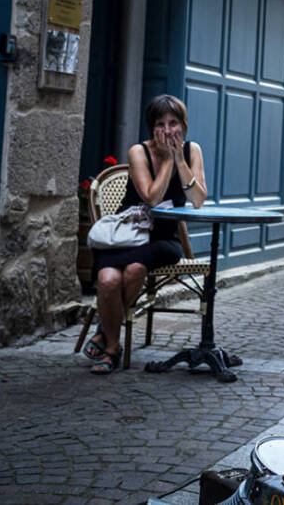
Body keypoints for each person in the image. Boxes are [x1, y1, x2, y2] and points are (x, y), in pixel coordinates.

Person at [82, 95, 207, 374]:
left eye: (174, 123)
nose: (167, 130)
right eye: (160, 124)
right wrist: (165, 162)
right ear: (151, 128)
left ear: (184, 126)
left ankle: (109, 344)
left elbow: (198, 199)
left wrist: (179, 161)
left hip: (163, 238)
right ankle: (110, 334)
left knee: (136, 269)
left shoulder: (192, 150)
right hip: (129, 233)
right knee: (108, 278)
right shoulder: (138, 152)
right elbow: (151, 197)